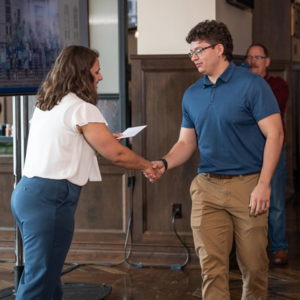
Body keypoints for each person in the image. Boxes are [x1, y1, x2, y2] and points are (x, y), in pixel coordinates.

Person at [145, 20, 283, 300]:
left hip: (249, 187)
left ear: (219, 49)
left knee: (254, 267)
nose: (193, 57)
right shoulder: (192, 94)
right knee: (211, 268)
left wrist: (264, 184)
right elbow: (186, 143)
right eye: (191, 52)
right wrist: (165, 162)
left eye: (199, 50)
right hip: (207, 187)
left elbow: (276, 135)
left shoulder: (253, 85)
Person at [10, 45, 159, 300]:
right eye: (97, 72)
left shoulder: (48, 102)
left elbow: (62, 142)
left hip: (27, 194)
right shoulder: (82, 107)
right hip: (50, 200)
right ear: (82, 73)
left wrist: (100, 139)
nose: (100, 77)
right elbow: (118, 155)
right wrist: (147, 165)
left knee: (48, 276)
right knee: (39, 283)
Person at [246, 44, 289, 264]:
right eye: (250, 57)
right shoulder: (242, 82)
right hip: (248, 150)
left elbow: (269, 107)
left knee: (276, 200)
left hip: (274, 148)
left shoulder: (278, 85)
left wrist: (252, 84)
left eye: (258, 57)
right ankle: (255, 250)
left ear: (267, 61)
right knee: (248, 198)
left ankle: (279, 247)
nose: (253, 61)